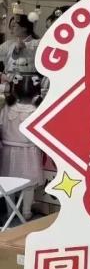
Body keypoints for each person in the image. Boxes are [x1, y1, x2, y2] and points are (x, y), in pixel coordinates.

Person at [0, 73, 44, 220]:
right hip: (29, 151)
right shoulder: (37, 109)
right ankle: (26, 212)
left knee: (9, 182)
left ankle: (10, 212)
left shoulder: (7, 107)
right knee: (29, 183)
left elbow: (1, 125)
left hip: (8, 151)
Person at [0, 15, 39, 80]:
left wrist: (26, 49)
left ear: (24, 27)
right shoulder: (8, 44)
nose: (11, 29)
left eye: (13, 26)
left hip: (30, 81)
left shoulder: (38, 43)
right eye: (10, 27)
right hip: (9, 81)